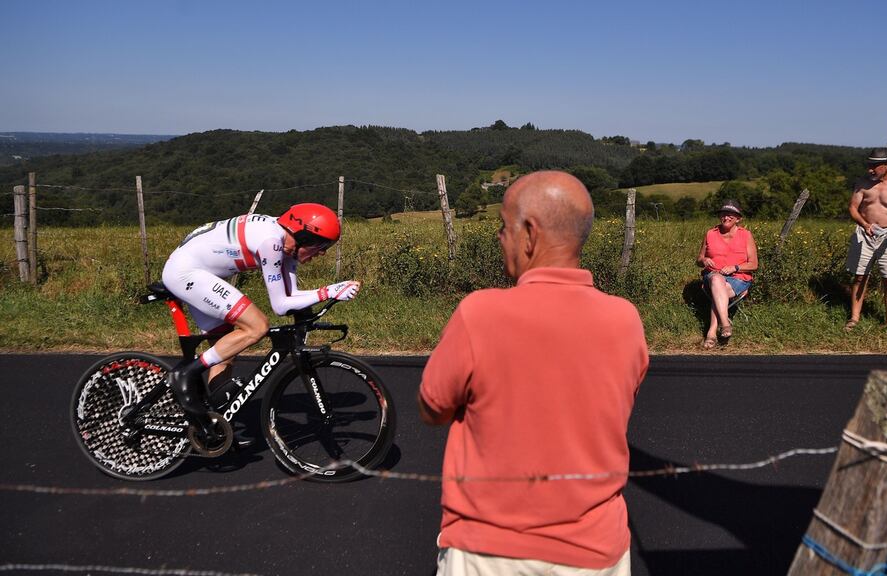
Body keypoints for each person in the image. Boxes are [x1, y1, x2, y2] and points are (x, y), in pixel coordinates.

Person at [418, 171, 649, 576]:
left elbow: (432, 407)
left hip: (491, 551)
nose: (499, 238)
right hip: (596, 552)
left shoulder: (480, 313)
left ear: (529, 233)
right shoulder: (626, 320)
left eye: (503, 227)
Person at [162, 203, 361, 443]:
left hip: (200, 271)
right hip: (186, 272)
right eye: (320, 245)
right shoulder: (271, 243)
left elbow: (293, 297)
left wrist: (319, 301)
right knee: (257, 326)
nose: (322, 253)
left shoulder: (287, 243)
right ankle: (184, 375)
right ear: (302, 236)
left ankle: (213, 423)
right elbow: (280, 306)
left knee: (226, 349)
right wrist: (328, 291)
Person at [844, 148, 887, 337]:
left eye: (875, 166)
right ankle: (854, 318)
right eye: (869, 165)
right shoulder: (862, 183)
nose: (870, 170)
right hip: (865, 233)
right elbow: (853, 208)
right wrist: (864, 224)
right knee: (859, 276)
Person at [695, 199, 758, 349]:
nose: (726, 217)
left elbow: (754, 265)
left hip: (738, 280)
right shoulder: (710, 233)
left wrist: (735, 267)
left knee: (719, 291)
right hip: (712, 277)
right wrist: (704, 260)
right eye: (724, 214)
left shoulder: (746, 235)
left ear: (738, 218)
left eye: (731, 214)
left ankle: (711, 332)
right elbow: (698, 259)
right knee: (717, 280)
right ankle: (725, 323)